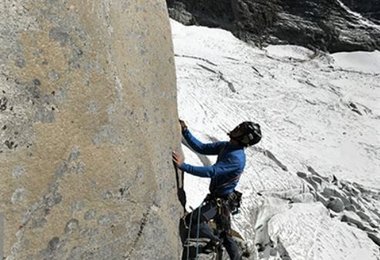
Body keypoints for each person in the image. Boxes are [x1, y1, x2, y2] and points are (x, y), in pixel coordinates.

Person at [172, 119, 262, 260]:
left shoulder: (236, 158)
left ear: (244, 137)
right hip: (220, 199)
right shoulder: (228, 147)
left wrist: (184, 166)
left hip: (220, 202)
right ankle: (217, 242)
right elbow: (202, 148)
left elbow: (212, 171)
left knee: (194, 221)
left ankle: (215, 241)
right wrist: (185, 131)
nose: (236, 127)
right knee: (225, 234)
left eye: (240, 129)